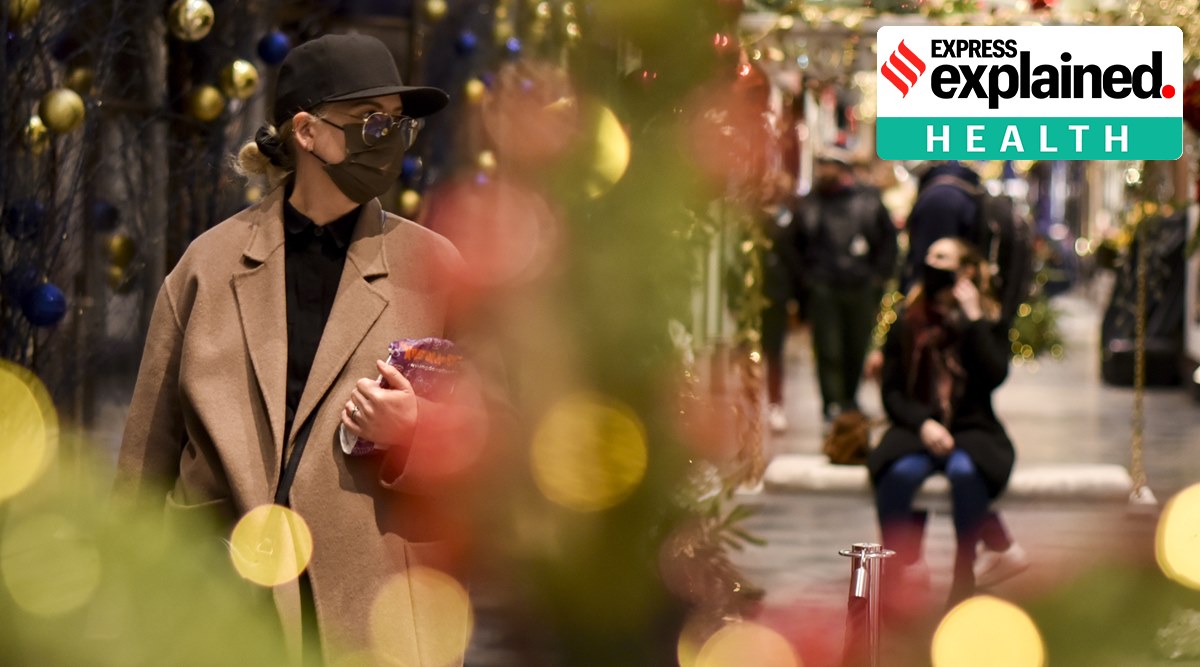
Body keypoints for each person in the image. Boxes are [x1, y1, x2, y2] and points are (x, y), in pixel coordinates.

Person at [117, 34, 483, 665]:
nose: (390, 140)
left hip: (370, 607)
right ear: (308, 132)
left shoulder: (434, 267)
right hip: (220, 602)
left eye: (399, 124)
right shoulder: (209, 265)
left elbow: (493, 436)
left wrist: (418, 428)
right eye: (372, 122)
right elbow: (146, 458)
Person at [868, 238, 1014, 606]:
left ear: (965, 269)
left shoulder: (988, 318)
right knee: (899, 474)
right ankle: (897, 571)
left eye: (942, 257)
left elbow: (994, 375)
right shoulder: (907, 321)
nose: (932, 262)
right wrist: (923, 425)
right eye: (930, 255)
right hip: (916, 428)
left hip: (971, 428)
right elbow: (892, 394)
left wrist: (974, 318)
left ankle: (965, 579)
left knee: (967, 473)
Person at [792, 148, 897, 425]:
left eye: (829, 165)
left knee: (855, 347)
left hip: (860, 286)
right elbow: (795, 246)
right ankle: (832, 405)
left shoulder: (868, 201)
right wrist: (807, 280)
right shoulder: (810, 204)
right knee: (828, 349)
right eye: (821, 165)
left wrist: (876, 277)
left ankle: (849, 401)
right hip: (824, 286)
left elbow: (888, 243)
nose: (824, 171)